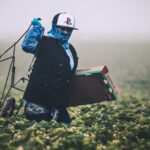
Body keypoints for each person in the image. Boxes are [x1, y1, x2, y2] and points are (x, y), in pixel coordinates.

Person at [21, 12, 78, 124]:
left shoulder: (70, 49)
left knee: (67, 130)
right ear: (54, 26)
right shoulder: (45, 42)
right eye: (62, 28)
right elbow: (27, 46)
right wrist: (36, 29)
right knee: (43, 134)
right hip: (37, 103)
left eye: (69, 29)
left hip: (57, 104)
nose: (65, 32)